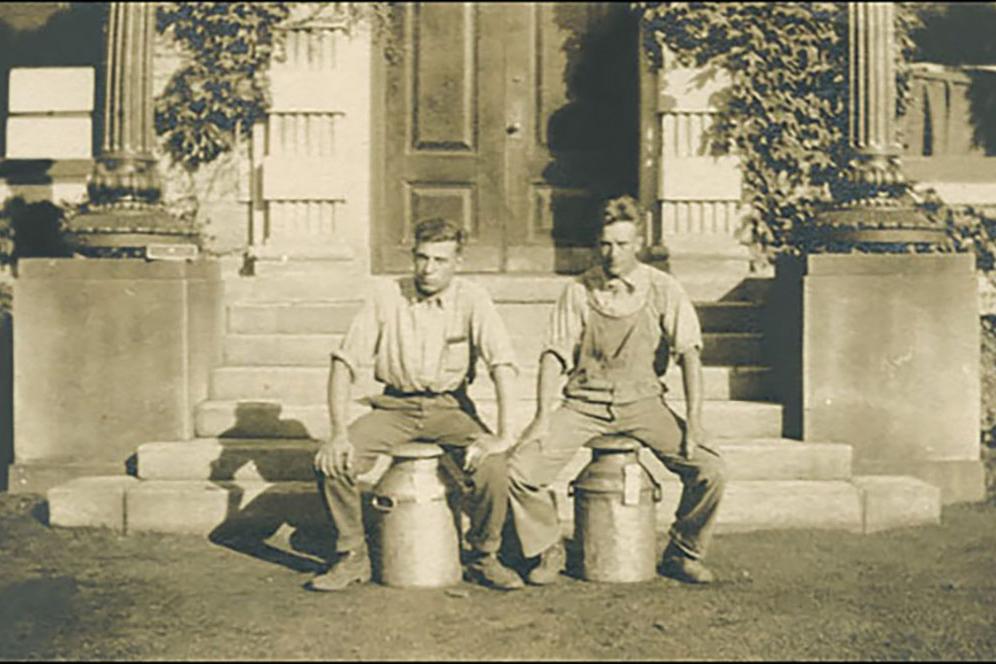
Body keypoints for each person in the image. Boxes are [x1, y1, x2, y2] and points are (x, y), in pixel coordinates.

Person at [507, 195, 726, 585]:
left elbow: (690, 355)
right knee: (519, 471)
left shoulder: (663, 289)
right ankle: (546, 547)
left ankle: (684, 551)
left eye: (622, 244)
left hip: (643, 403)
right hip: (584, 404)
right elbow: (554, 355)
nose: (612, 254)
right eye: (605, 244)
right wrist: (541, 418)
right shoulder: (579, 290)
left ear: (638, 243)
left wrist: (695, 421)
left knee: (711, 470)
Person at [309, 217, 524, 592]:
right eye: (422, 258)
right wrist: (339, 433)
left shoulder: (473, 299)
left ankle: (483, 555)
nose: (428, 269)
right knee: (333, 463)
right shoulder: (385, 296)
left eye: (440, 260)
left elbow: (502, 363)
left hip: (450, 408)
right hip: (395, 407)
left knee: (492, 466)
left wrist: (504, 435)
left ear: (458, 261)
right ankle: (352, 554)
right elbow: (343, 363)